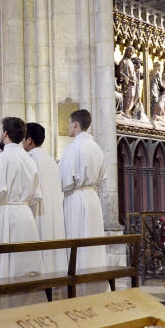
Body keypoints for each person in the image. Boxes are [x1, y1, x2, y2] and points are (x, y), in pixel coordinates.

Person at [0, 117, 43, 308]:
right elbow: (36, 195)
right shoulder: (29, 160)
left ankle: (7, 306)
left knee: (8, 266)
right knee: (26, 264)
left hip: (6, 214)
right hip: (26, 215)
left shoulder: (1, 158)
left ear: (5, 134)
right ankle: (29, 304)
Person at [59, 109, 107, 296]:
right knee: (92, 240)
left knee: (77, 238)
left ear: (76, 125)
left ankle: (79, 285)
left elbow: (66, 180)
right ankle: (95, 284)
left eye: (70, 124)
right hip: (92, 198)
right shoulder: (97, 148)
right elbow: (102, 176)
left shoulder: (73, 148)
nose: (68, 128)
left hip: (76, 198)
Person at [22, 123, 67, 280]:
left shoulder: (29, 159)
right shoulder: (51, 160)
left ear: (29, 140)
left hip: (38, 212)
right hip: (54, 212)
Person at [118, 46, 137, 118]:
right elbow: (120, 72)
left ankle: (128, 111)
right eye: (129, 52)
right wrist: (127, 79)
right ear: (126, 52)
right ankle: (125, 111)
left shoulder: (131, 62)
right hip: (127, 83)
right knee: (129, 96)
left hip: (133, 82)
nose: (131, 53)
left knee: (133, 96)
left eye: (132, 52)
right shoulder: (124, 61)